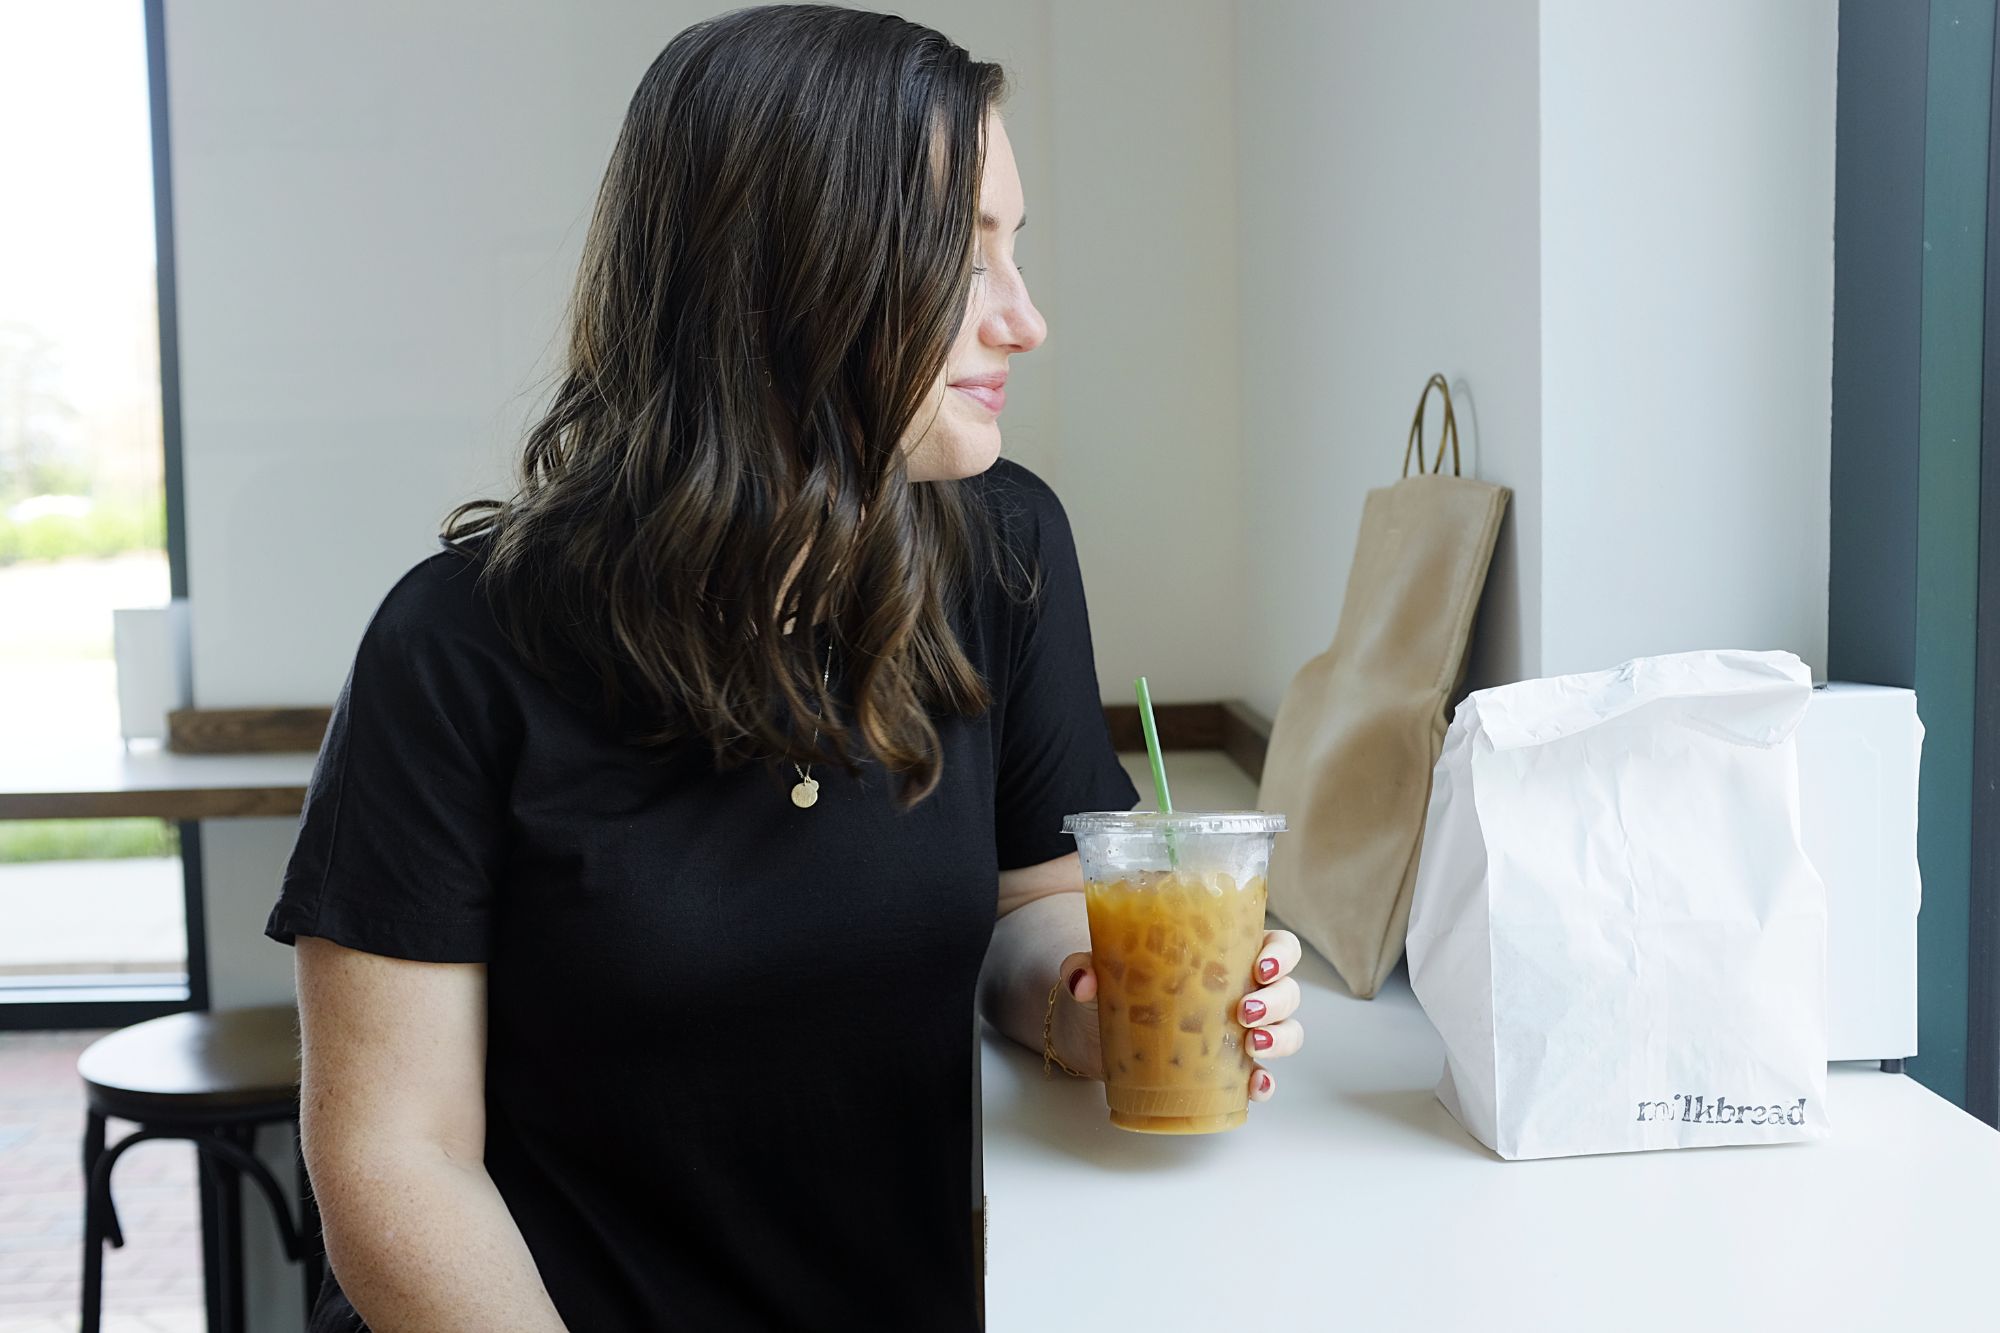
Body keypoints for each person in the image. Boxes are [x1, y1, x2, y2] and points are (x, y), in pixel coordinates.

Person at [263, 6, 1306, 1330]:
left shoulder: (1005, 551)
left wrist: (1097, 1002)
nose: (1025, 319)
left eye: (1015, 247)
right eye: (963, 255)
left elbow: (1031, 901)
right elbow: (393, 1158)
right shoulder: (455, 652)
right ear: (792, 274)